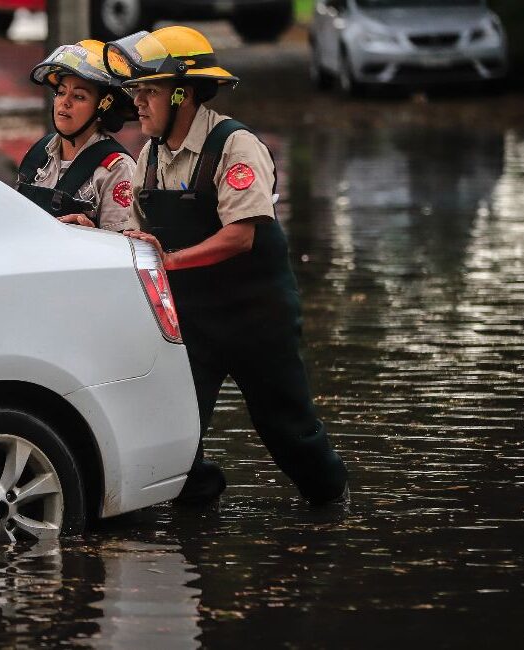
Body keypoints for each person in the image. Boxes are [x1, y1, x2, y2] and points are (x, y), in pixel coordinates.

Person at [103, 26, 349, 505]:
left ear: (183, 94)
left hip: (258, 319)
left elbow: (240, 237)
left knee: (286, 428)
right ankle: (198, 509)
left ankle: (333, 504)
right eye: (136, 92)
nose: (138, 103)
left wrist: (170, 260)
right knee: (176, 429)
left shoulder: (237, 146)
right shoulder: (148, 155)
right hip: (192, 322)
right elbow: (134, 236)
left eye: (149, 91)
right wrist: (87, 232)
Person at [18, 39, 138, 232]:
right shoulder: (39, 153)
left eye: (79, 96)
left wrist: (91, 232)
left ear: (103, 107)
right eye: (60, 92)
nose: (65, 102)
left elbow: (122, 245)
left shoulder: (117, 169)